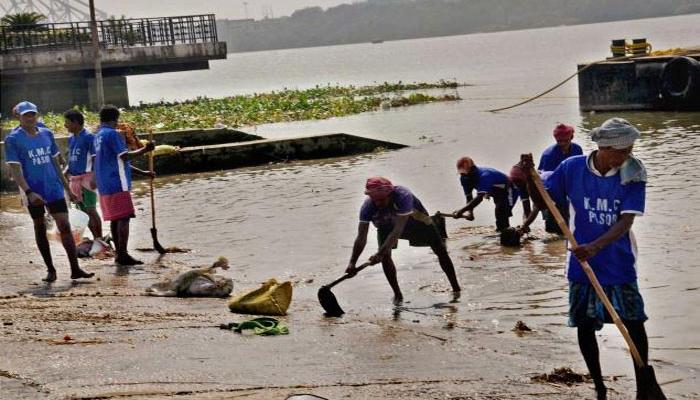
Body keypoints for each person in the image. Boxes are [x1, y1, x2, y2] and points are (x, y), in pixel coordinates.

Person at [523, 118, 651, 400]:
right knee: (583, 324)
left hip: (618, 261)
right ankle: (599, 386)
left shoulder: (633, 171)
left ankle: (644, 386)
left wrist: (594, 247)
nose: (627, 155)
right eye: (622, 151)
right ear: (603, 147)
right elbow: (544, 201)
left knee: (633, 322)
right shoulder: (572, 167)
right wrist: (530, 176)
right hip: (581, 264)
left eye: (630, 149)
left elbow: (625, 223)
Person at [4, 101, 94, 282]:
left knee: (65, 226)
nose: (30, 118)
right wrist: (29, 192)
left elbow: (56, 163)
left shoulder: (46, 134)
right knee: (39, 227)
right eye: (26, 115)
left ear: (36, 115)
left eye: (32, 114)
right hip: (32, 190)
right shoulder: (13, 139)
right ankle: (51, 270)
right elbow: (15, 169)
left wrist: (68, 189)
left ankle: (75, 268)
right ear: (19, 117)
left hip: (53, 187)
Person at [346, 177, 461, 303]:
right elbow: (361, 237)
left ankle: (456, 288)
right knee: (385, 257)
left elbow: (398, 230)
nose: (377, 203)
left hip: (417, 221)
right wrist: (352, 263)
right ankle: (397, 294)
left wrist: (380, 253)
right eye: (374, 200)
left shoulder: (403, 195)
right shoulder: (368, 207)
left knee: (440, 250)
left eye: (381, 200)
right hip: (386, 225)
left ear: (389, 194)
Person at [93, 105, 154, 266]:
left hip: (104, 183)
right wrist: (146, 150)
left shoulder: (98, 135)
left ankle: (120, 253)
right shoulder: (112, 134)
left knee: (116, 218)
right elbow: (125, 157)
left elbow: (117, 161)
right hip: (116, 182)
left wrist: (144, 173)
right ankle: (123, 254)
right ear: (115, 119)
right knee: (124, 217)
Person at [62, 109, 102, 240]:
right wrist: (66, 171)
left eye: (67, 122)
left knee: (91, 209)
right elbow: (71, 159)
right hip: (75, 179)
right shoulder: (71, 138)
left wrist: (95, 178)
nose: (65, 125)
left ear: (75, 122)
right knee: (83, 212)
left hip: (87, 178)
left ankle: (100, 239)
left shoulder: (89, 137)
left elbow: (96, 158)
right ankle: (96, 238)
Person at [453, 157, 521, 232]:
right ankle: (501, 232)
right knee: (499, 215)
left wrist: (461, 211)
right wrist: (470, 213)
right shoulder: (464, 179)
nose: (463, 176)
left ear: (472, 170)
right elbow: (469, 197)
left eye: (464, 173)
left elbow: (479, 198)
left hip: (509, 189)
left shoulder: (485, 176)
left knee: (501, 213)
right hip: (495, 192)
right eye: (461, 173)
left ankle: (506, 234)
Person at [538, 123, 584, 233]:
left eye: (566, 141)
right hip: (551, 188)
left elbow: (579, 171)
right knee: (553, 222)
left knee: (571, 220)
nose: (562, 144)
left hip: (569, 187)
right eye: (559, 141)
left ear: (571, 137)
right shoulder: (549, 155)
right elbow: (547, 180)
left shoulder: (577, 149)